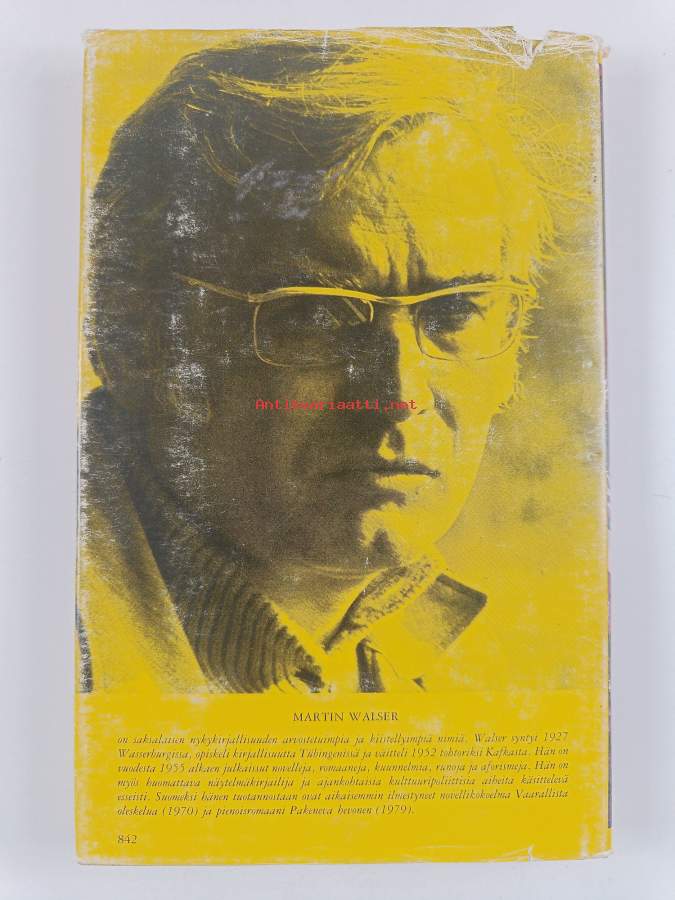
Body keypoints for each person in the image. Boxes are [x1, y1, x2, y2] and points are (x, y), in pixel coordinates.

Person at [78, 37, 552, 693]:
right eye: (314, 315)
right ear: (134, 340)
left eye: (453, 313)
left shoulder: (515, 666)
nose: (398, 396)